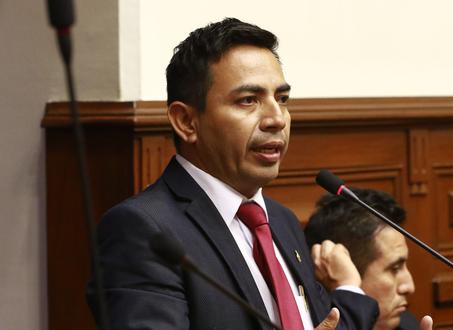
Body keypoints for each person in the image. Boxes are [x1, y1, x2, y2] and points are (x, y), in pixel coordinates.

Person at [87, 18, 380, 330]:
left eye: (281, 99)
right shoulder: (144, 230)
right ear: (186, 121)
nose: (277, 119)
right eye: (248, 100)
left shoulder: (282, 222)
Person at [305, 188, 432, 330]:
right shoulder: (306, 323)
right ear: (344, 268)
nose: (409, 287)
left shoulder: (406, 325)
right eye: (394, 268)